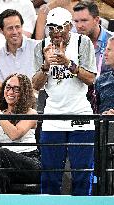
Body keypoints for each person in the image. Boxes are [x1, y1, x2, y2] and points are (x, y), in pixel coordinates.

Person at [32, 7, 96, 195]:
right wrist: (46, 65)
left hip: (80, 115)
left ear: (69, 26)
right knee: (50, 174)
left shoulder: (82, 43)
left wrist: (69, 64)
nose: (55, 33)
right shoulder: (41, 46)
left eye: (59, 28)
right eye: (51, 28)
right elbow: (36, 85)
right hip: (53, 117)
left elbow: (91, 78)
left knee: (82, 173)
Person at [0, 9, 39, 88]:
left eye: (17, 27)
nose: (15, 32)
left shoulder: (37, 47)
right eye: (10, 28)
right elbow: (1, 88)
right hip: (10, 98)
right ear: (1, 30)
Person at [73, 1, 113, 75]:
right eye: (76, 21)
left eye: (84, 20)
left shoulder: (112, 40)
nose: (79, 26)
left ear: (97, 20)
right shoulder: (71, 40)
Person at [95, 37, 114, 113]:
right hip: (103, 124)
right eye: (105, 49)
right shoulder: (101, 80)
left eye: (109, 50)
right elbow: (93, 108)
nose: (105, 53)